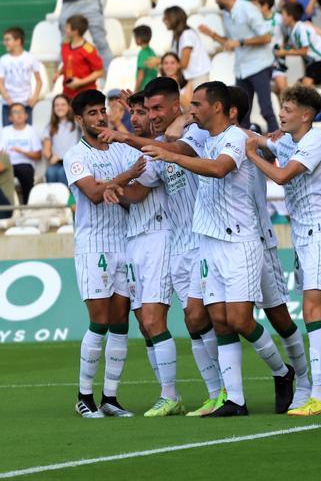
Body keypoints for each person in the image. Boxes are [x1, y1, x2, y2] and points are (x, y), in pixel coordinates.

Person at [142, 82, 295, 417]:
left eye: (196, 104)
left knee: (241, 319)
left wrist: (170, 155)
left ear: (220, 108)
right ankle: (234, 400)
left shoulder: (237, 138)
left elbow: (219, 168)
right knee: (219, 322)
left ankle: (284, 372)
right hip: (208, 245)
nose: (191, 110)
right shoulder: (204, 139)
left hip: (240, 241)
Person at [97, 80, 227, 417]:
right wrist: (115, 185)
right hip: (167, 243)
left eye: (154, 109)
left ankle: (262, 381)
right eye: (141, 111)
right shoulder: (155, 144)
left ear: (176, 106)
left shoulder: (193, 132)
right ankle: (215, 393)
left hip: (195, 238)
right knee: (179, 320)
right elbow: (142, 183)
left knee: (207, 317)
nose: (147, 116)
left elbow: (172, 154)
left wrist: (117, 172)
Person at [246, 84, 321, 416]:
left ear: (306, 115)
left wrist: (252, 155)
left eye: (287, 108)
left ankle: (318, 394)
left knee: (312, 312)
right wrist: (252, 139)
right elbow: (260, 139)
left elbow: (283, 176)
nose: (281, 113)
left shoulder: (313, 142)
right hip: (305, 236)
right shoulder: (290, 140)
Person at [64, 89, 145, 419]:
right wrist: (124, 178)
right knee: (99, 321)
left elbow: (130, 193)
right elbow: (95, 193)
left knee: (121, 322)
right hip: (93, 245)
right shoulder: (75, 156)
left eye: (102, 111)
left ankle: (110, 396)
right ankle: (84, 396)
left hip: (123, 243)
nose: (100, 117)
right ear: (80, 120)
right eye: (93, 113)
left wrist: (120, 186)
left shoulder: (121, 150)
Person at [199, 0, 280, 132]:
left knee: (266, 109)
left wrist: (240, 42)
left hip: (259, 65)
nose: (215, 0)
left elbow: (266, 37)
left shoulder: (248, 9)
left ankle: (279, 146)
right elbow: (230, 42)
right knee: (240, 111)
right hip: (242, 68)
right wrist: (212, 35)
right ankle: (242, 147)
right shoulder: (226, 14)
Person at [277, 2, 321, 87]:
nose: (281, 17)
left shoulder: (301, 28)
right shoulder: (292, 29)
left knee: (306, 86)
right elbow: (295, 46)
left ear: (290, 16)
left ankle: (318, 99)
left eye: (283, 14)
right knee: (300, 87)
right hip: (315, 61)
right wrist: (284, 48)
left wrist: (285, 52)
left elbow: (304, 51)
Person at [0, 26, 43, 127]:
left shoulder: (30, 58)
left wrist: (34, 98)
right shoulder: (3, 59)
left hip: (25, 104)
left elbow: (39, 80)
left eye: (8, 39)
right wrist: (8, 99)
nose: (5, 43)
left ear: (18, 41)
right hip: (8, 105)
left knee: (27, 132)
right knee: (8, 132)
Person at [0, 103, 44, 204]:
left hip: (25, 164)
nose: (19, 114)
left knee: (25, 172)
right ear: (10, 117)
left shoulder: (31, 131)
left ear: (26, 116)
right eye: (15, 112)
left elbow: (38, 155)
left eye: (21, 112)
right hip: (8, 165)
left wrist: (22, 151)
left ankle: (28, 205)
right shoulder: (5, 131)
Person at [58, 0, 112, 72]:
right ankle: (63, 78)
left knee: (101, 43)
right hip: (69, 1)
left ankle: (110, 77)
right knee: (65, 43)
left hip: (91, 0)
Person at [249, 0, 288, 94]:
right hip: (259, 60)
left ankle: (287, 109)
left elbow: (288, 35)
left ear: (265, 6)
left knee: (282, 86)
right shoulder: (253, 22)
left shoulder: (279, 19)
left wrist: (283, 49)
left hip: (276, 60)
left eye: (254, 5)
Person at [57, 15, 104, 101]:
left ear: (75, 31)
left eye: (67, 27)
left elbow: (99, 72)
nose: (65, 29)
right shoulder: (65, 45)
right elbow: (67, 63)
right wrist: (59, 73)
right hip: (67, 94)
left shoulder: (88, 49)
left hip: (86, 95)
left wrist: (80, 82)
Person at [164, 6, 211, 88]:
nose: (163, 20)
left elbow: (184, 63)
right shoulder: (178, 35)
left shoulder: (187, 35)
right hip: (190, 78)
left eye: (166, 18)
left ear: (174, 19)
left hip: (197, 78)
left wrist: (162, 64)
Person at [42, 94, 80, 185]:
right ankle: (54, 199)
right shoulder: (50, 127)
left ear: (69, 107)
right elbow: (46, 150)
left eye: (63, 104)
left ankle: (67, 198)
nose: (60, 107)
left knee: (62, 173)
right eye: (57, 105)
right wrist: (51, 157)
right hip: (57, 162)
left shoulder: (76, 123)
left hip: (72, 162)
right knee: (50, 172)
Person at [134, 25, 159, 91]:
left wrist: (136, 90)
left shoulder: (142, 53)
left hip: (144, 90)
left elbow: (140, 76)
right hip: (153, 88)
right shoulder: (152, 51)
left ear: (138, 39)